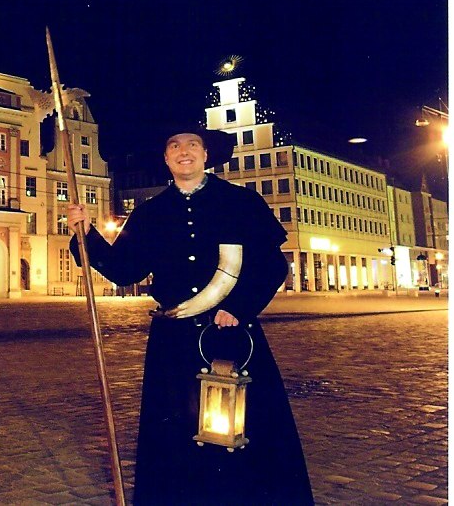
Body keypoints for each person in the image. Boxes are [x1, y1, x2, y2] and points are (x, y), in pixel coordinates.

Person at [68, 125, 313, 506]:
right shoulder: (152, 212)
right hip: (175, 339)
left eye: (192, 145)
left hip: (232, 331)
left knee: (247, 428)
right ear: (166, 159)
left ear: (206, 155)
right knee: (176, 429)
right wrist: (86, 235)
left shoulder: (240, 202)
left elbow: (271, 266)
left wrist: (239, 307)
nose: (184, 152)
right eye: (175, 146)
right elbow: (124, 268)